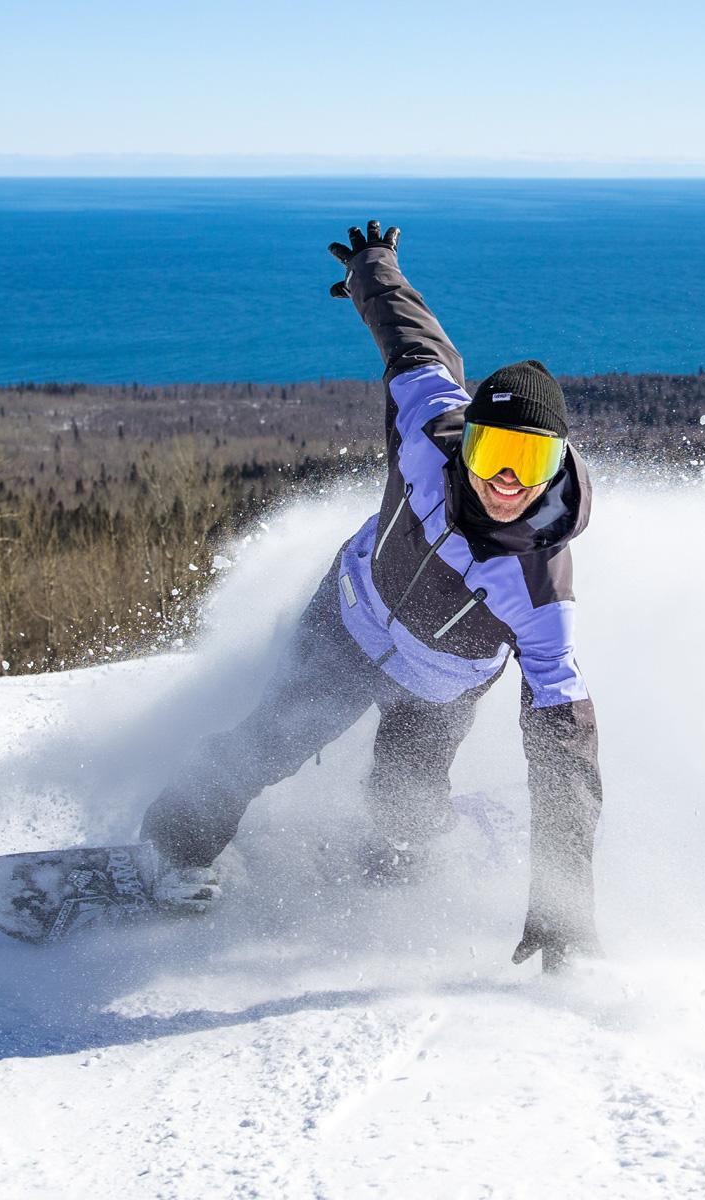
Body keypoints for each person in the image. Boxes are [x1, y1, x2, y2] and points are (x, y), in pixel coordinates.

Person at [140, 220, 604, 971]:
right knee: (272, 736)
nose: (505, 482)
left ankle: (393, 866)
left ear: (557, 466)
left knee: (408, 801)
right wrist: (370, 266)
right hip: (348, 623)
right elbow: (414, 339)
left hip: (440, 689)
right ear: (467, 441)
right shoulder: (428, 428)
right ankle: (172, 847)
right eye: (493, 453)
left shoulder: (539, 588)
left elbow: (565, 753)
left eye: (530, 461)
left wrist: (564, 914)